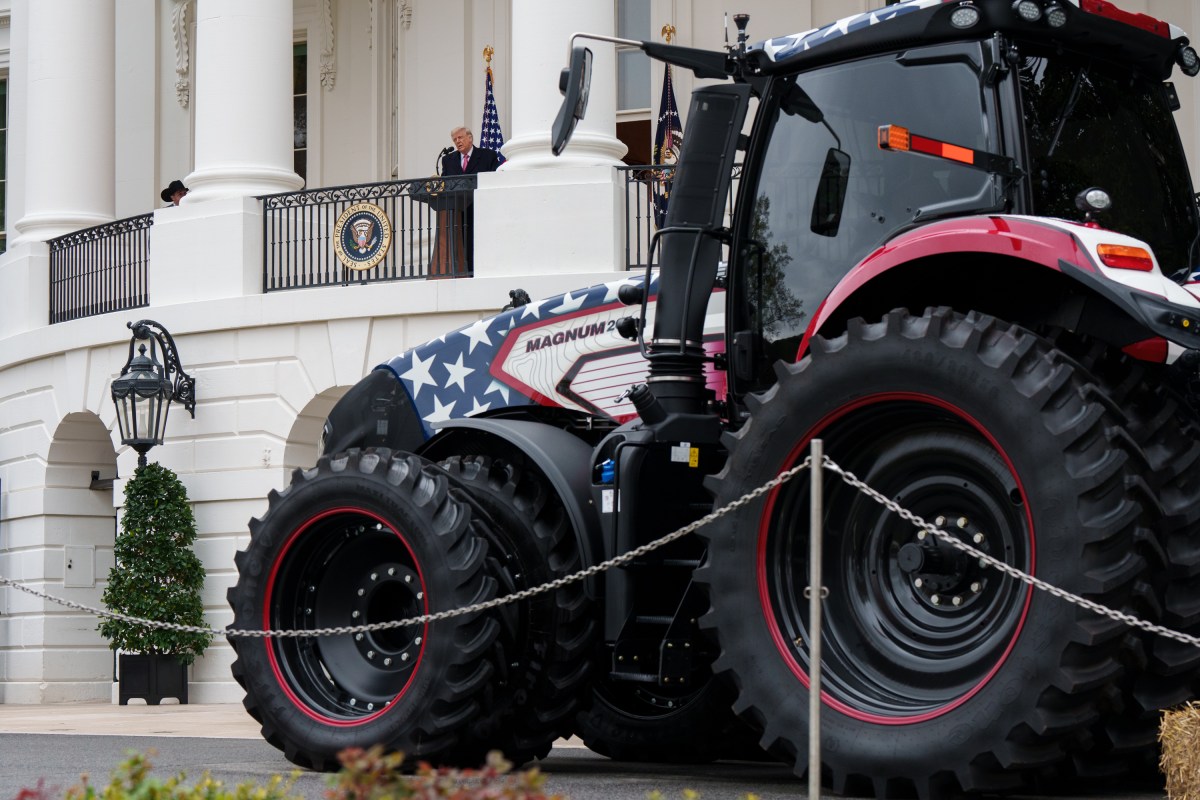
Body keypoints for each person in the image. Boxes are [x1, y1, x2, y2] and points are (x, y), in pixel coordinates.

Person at [439, 127, 500, 271]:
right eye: (455, 140)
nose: (457, 141)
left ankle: (481, 269)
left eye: (460, 138)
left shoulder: (487, 156)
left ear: (470, 138)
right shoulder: (448, 160)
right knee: (461, 244)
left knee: (480, 243)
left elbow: (494, 180)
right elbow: (444, 184)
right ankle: (463, 271)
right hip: (458, 212)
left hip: (482, 210)